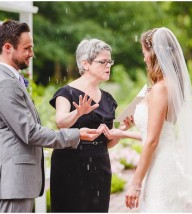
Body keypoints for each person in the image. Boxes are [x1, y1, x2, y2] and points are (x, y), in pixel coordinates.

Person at [0, 20, 102, 213]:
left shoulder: (5, 80)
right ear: (7, 48)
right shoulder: (5, 84)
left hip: (15, 183)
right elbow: (30, 133)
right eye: (27, 48)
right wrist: (76, 134)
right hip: (13, 183)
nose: (32, 53)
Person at [107, 27, 192, 212]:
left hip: (160, 167)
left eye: (144, 53)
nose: (144, 58)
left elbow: (152, 140)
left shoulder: (161, 89)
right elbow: (159, 134)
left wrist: (135, 184)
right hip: (163, 162)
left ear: (154, 54)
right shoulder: (170, 85)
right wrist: (122, 132)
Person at [49, 38, 132, 212]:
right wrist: (78, 112)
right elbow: (60, 123)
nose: (108, 66)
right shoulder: (66, 93)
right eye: (103, 62)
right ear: (85, 64)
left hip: (100, 163)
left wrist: (121, 130)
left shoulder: (108, 99)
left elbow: (108, 143)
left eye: (110, 61)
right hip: (69, 164)